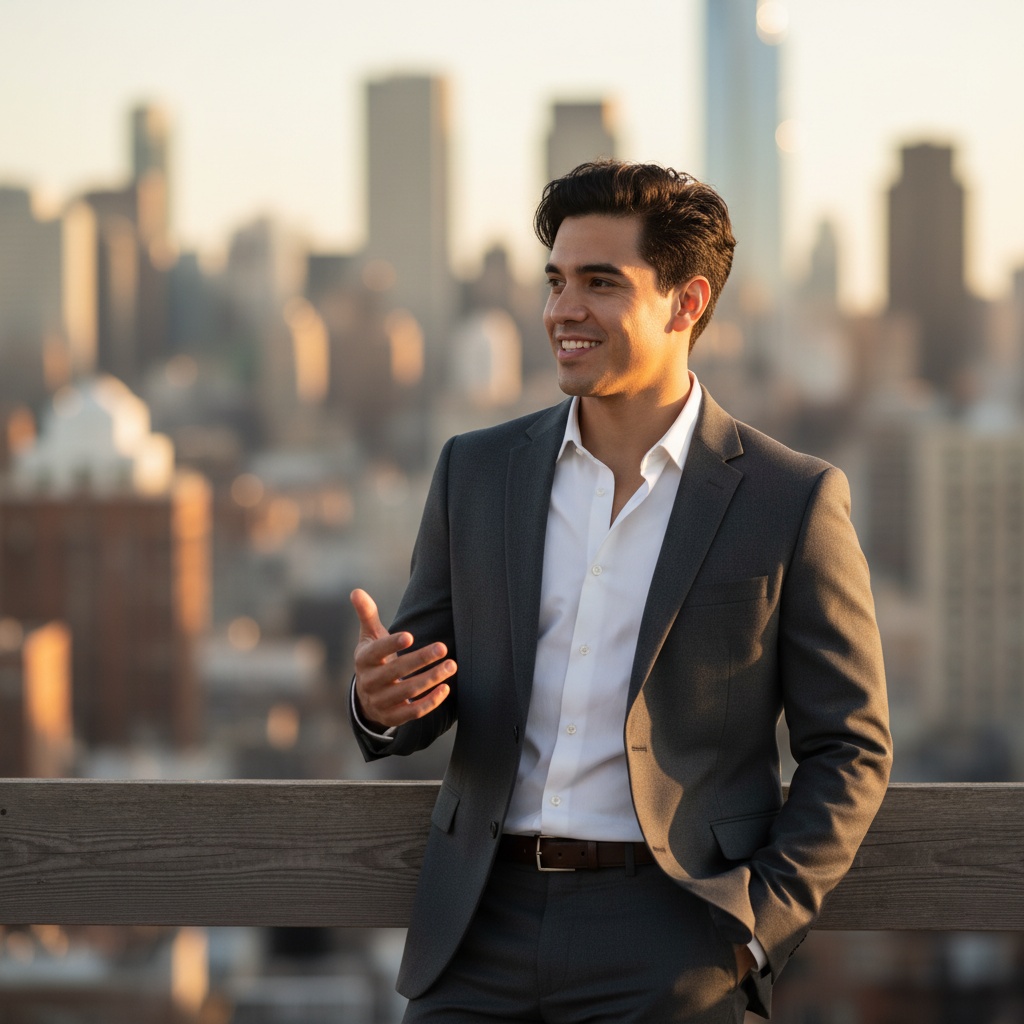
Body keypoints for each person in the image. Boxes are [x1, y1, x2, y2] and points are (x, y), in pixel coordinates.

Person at [350, 161, 892, 1023]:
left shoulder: (792, 499)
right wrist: (381, 701)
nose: (563, 310)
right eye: (557, 281)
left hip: (672, 940)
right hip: (475, 929)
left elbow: (852, 747)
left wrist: (756, 927)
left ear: (687, 302)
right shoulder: (475, 472)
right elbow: (419, 698)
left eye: (601, 283)